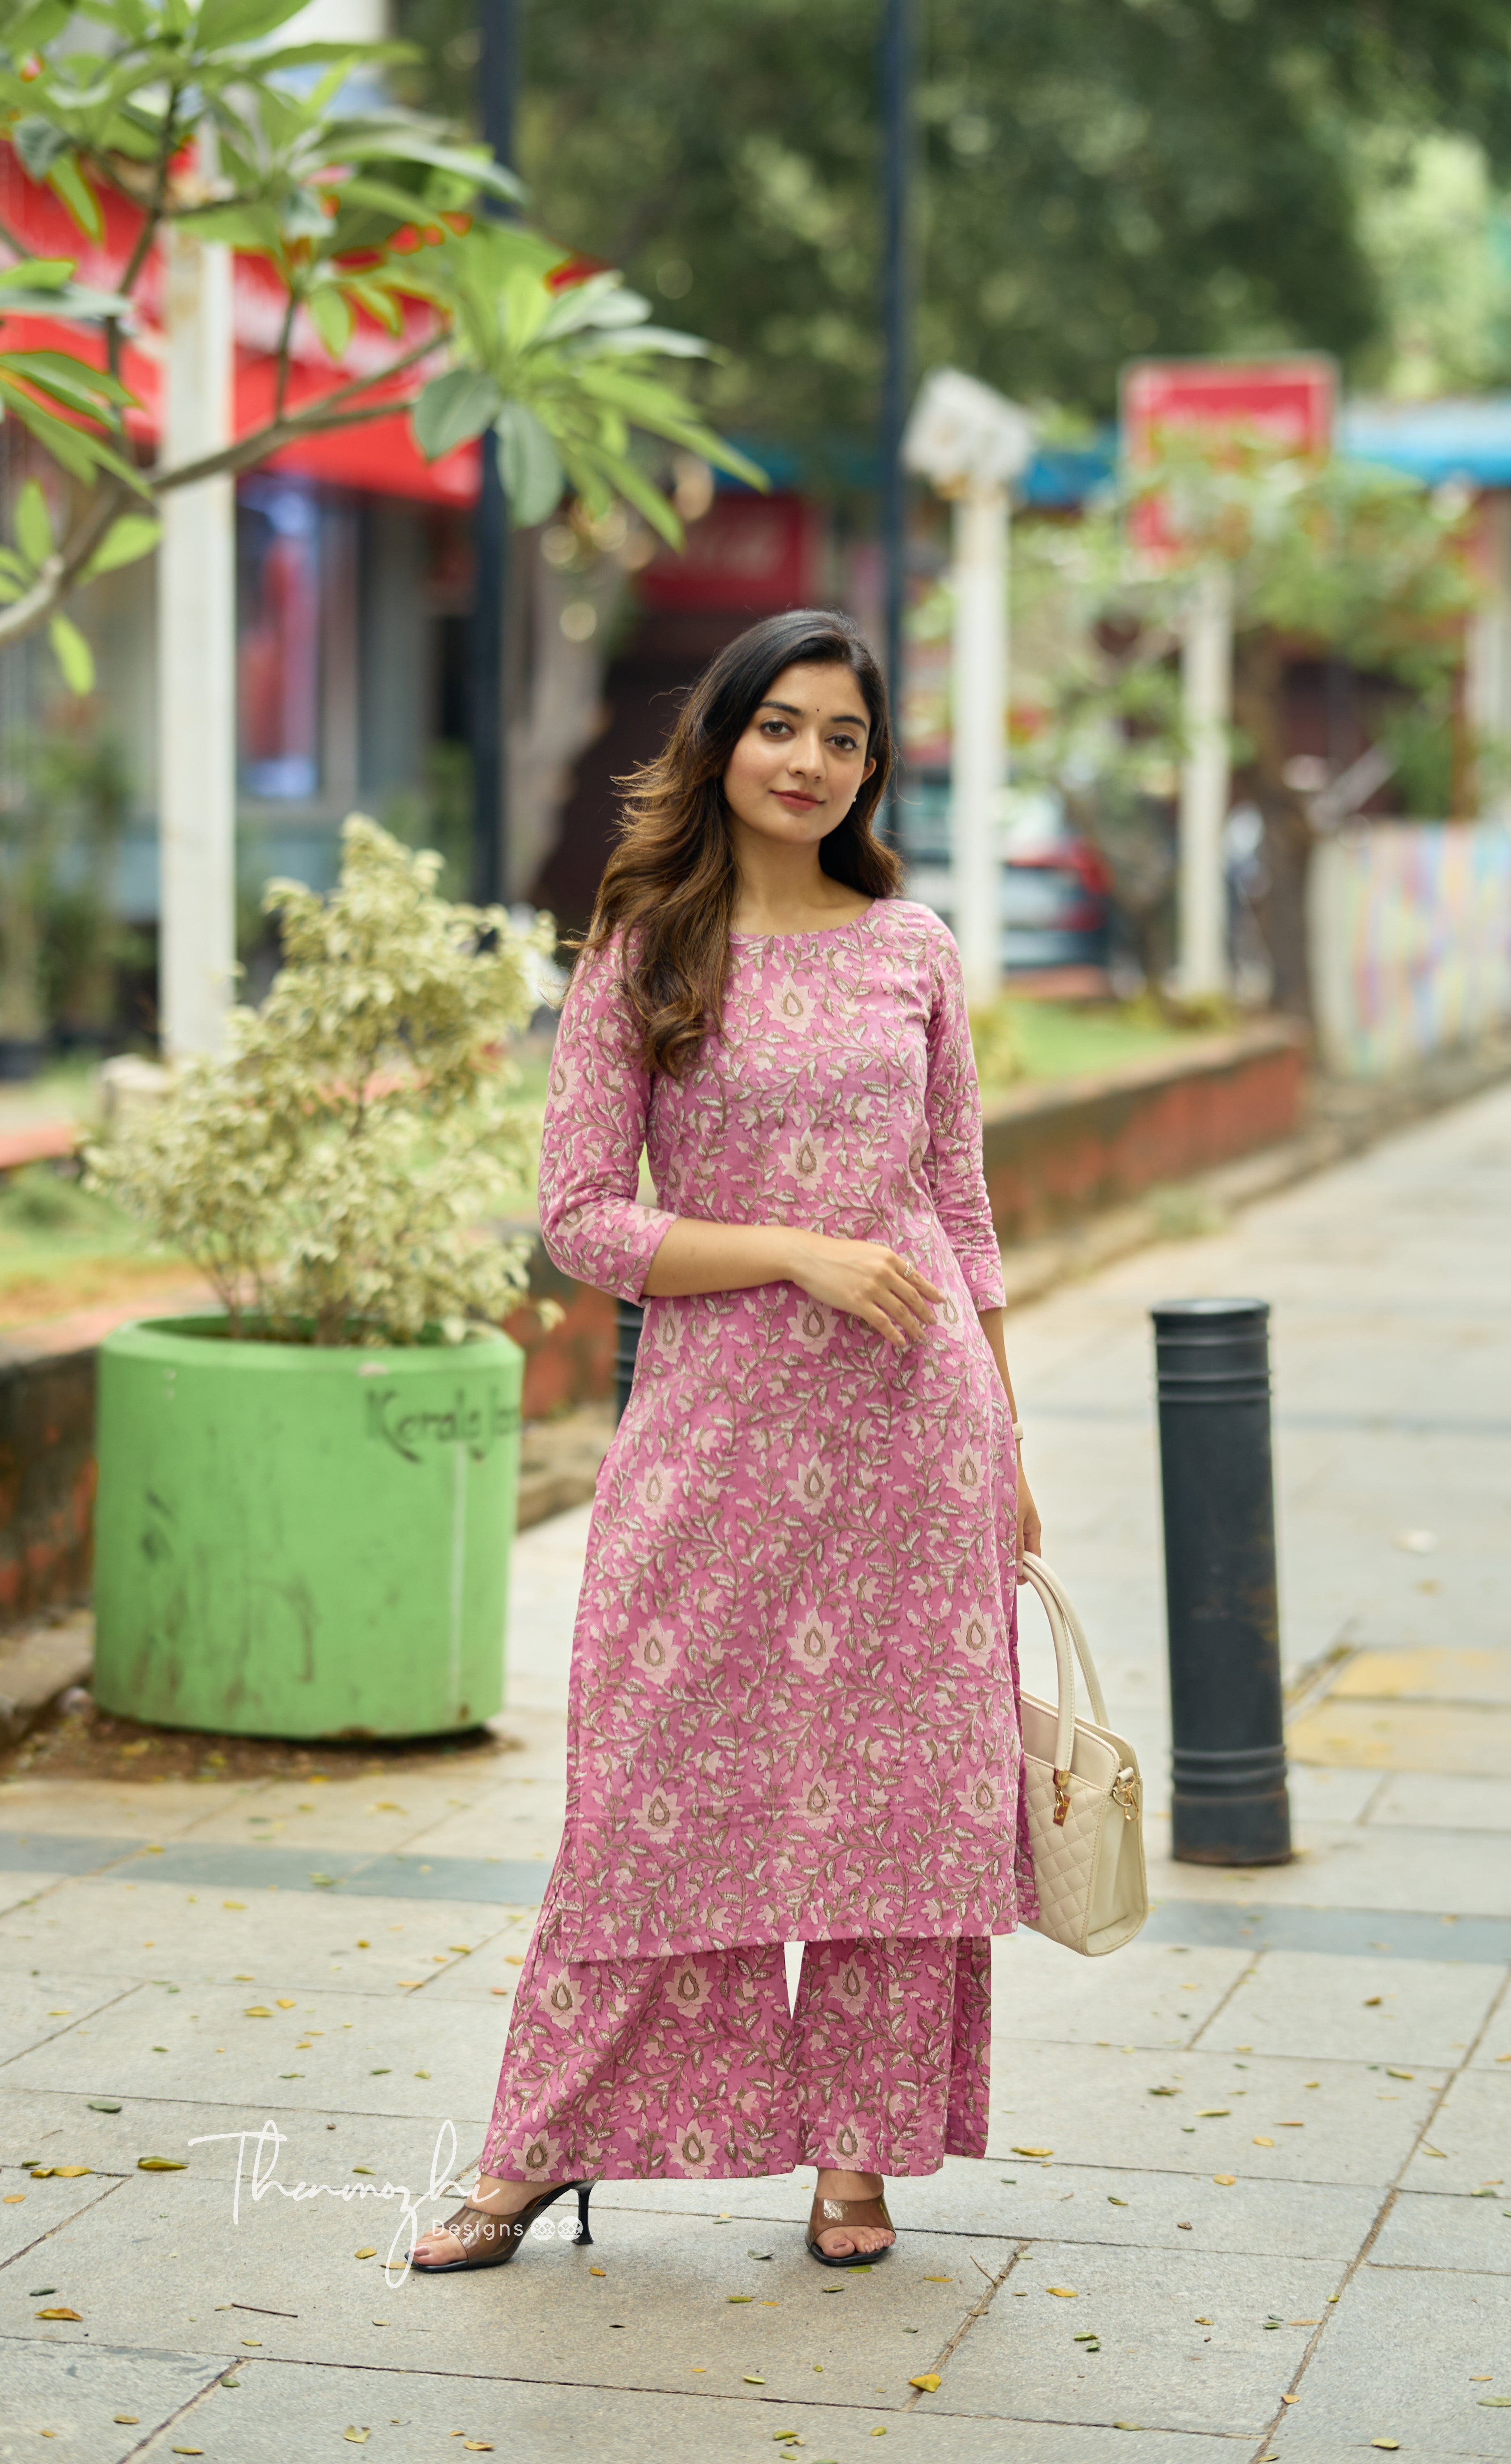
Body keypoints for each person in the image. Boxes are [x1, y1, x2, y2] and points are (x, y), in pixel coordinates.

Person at [413, 607, 1041, 2275]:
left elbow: (963, 1208)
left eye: (844, 736)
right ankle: (538, 2148)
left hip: (916, 1442)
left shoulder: (910, 948)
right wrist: (790, 1250)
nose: (812, 763)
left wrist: (1015, 1450)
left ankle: (860, 2157)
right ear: (721, 740)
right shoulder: (646, 947)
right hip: (715, 1435)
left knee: (896, 1807)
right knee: (648, 1795)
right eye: (782, 727)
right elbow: (576, 1220)